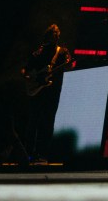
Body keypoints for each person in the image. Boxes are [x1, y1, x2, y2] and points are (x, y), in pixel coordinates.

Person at [21, 24, 72, 163]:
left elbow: (70, 65)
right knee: (35, 122)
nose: (55, 37)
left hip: (52, 92)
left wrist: (68, 64)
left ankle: (40, 153)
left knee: (46, 123)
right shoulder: (39, 53)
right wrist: (31, 78)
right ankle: (29, 153)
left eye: (56, 34)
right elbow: (25, 70)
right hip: (40, 92)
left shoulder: (62, 52)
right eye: (53, 34)